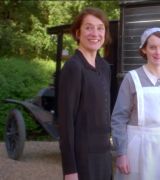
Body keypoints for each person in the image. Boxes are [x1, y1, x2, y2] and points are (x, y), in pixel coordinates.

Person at [111, 27, 160, 180]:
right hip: (137, 147)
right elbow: (119, 118)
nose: (157, 52)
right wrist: (121, 152)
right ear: (144, 50)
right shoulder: (132, 78)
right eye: (152, 47)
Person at [58, 7, 112, 180]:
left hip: (103, 155)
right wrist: (70, 169)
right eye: (88, 27)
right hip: (83, 157)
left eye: (100, 28)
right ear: (77, 32)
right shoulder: (73, 67)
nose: (95, 33)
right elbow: (65, 123)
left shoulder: (104, 67)